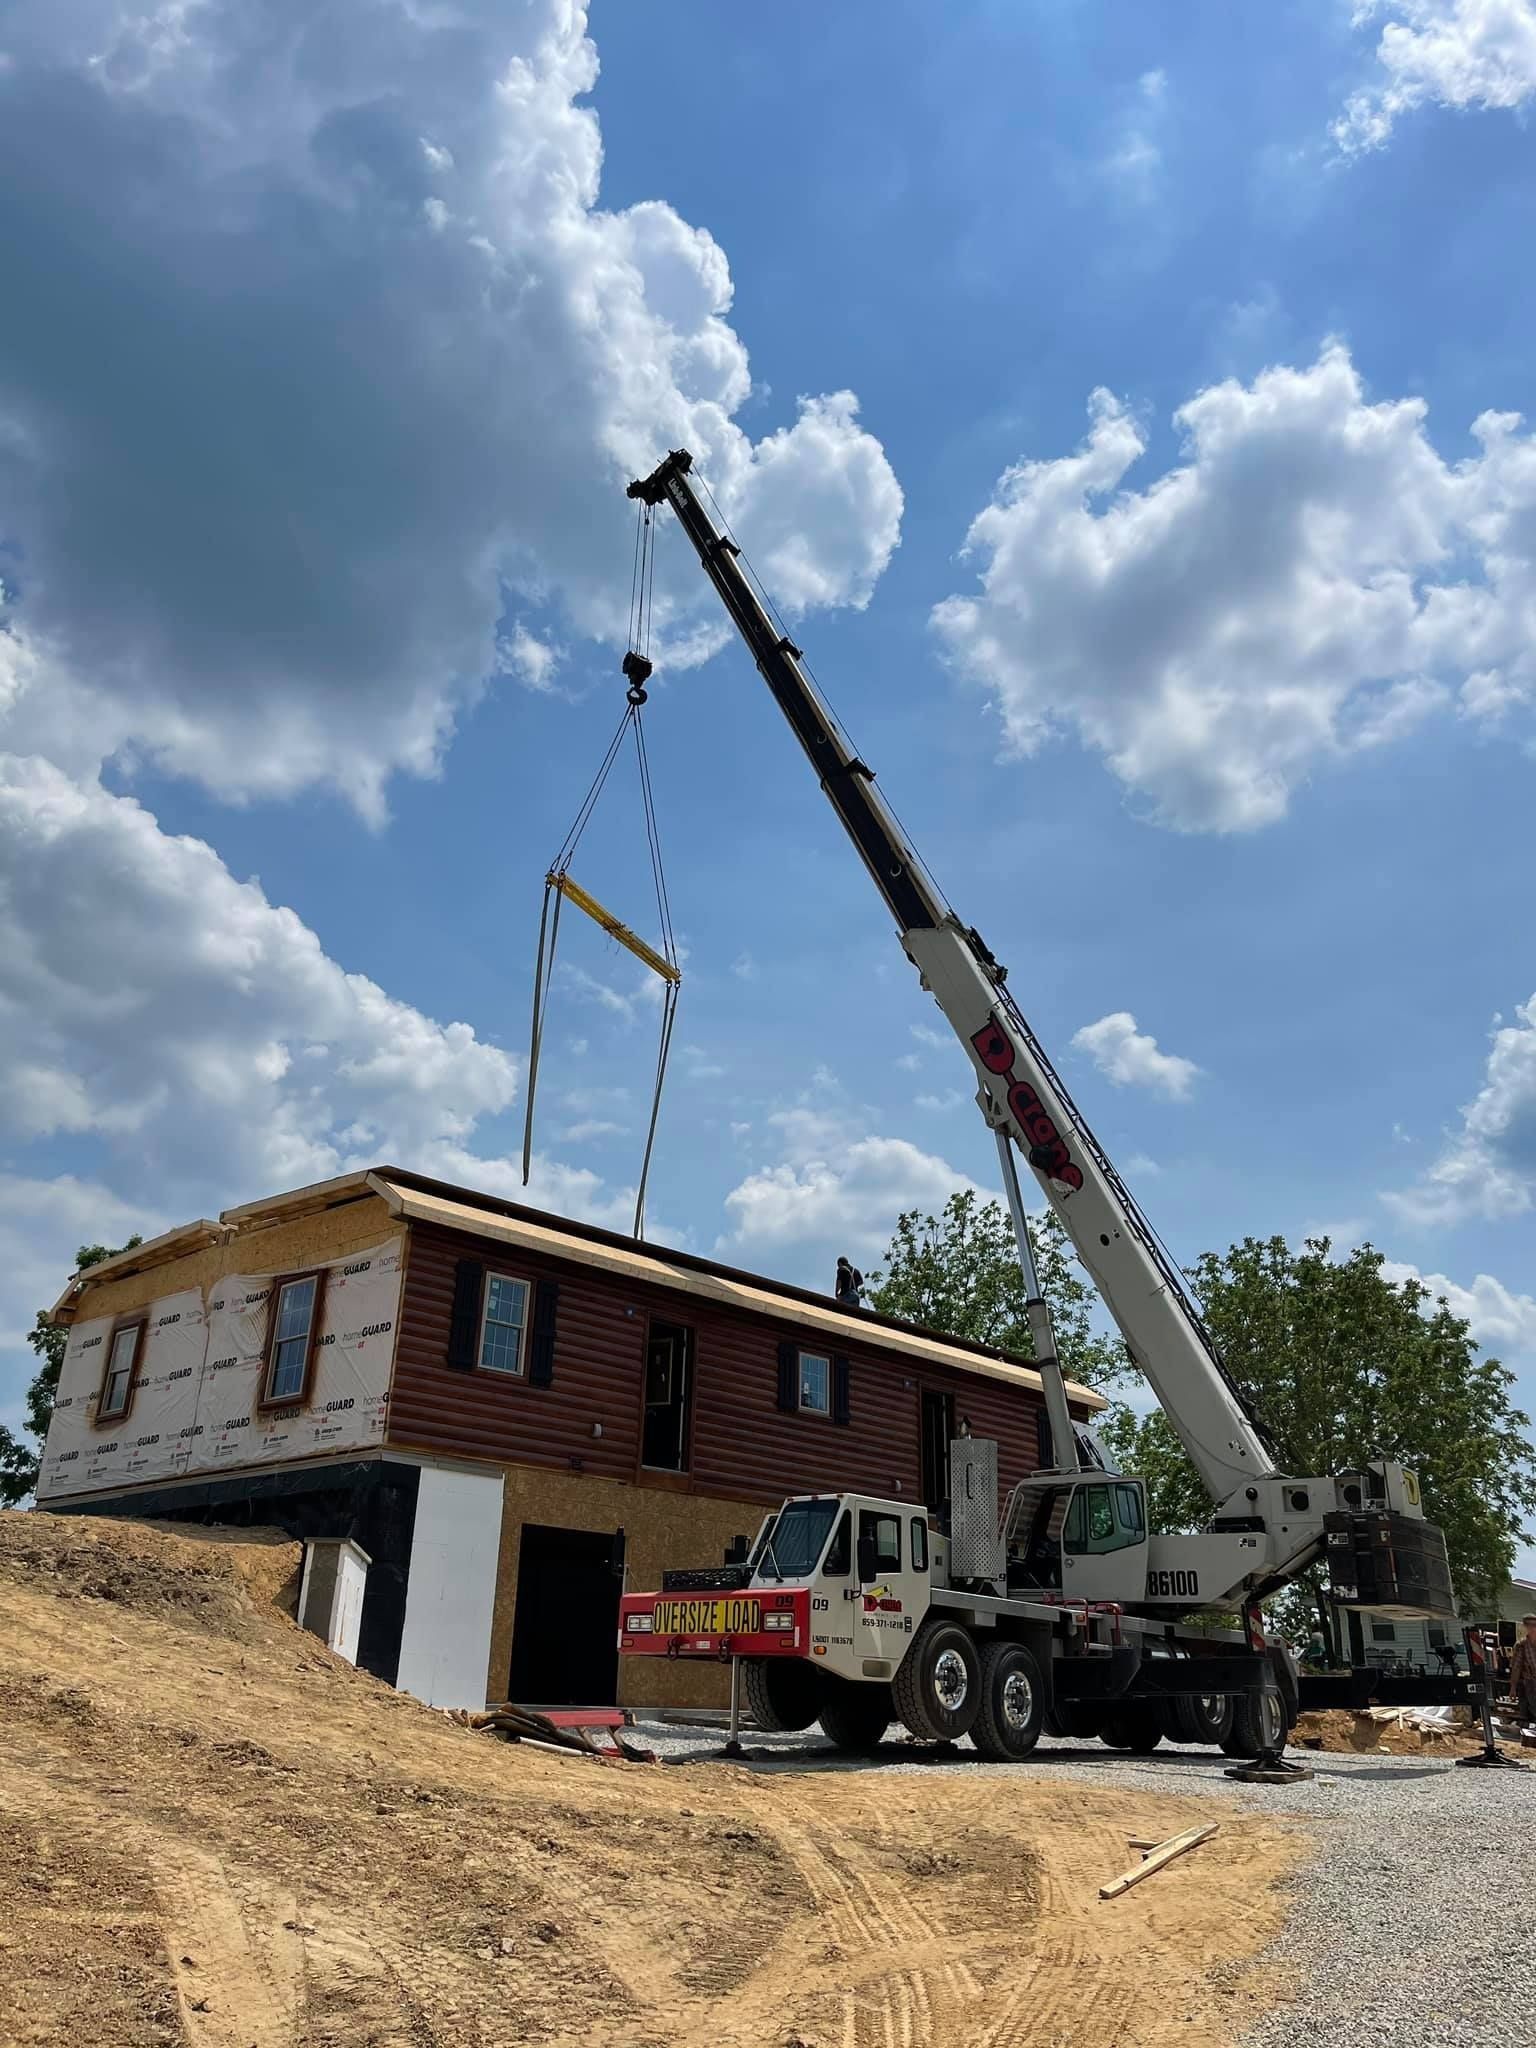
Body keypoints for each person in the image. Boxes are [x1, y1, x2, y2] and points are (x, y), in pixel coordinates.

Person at [1510, 1613, 1536, 1733]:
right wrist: (1513, 1687)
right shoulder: (1521, 1645)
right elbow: (1516, 1667)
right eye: (1530, 1625)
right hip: (1531, 1681)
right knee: (1533, 1706)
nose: (1533, 1628)